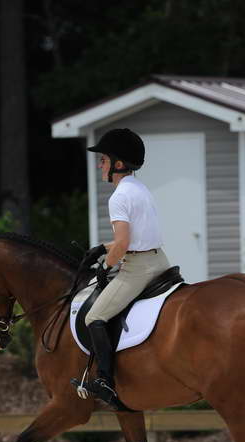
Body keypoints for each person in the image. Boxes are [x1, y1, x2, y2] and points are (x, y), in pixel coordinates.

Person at [81, 128, 170, 406]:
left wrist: (104, 266)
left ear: (118, 164)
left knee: (93, 317)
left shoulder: (118, 197)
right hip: (160, 261)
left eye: (103, 160)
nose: (100, 165)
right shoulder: (140, 189)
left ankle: (105, 381)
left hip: (138, 270)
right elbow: (135, 237)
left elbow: (123, 244)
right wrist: (103, 248)